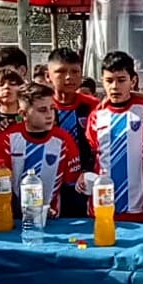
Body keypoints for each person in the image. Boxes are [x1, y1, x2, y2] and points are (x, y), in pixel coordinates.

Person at [0, 82, 81, 218]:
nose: (50, 115)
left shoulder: (64, 140)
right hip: (14, 219)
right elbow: (0, 185)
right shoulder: (6, 139)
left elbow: (71, 186)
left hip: (53, 219)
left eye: (52, 108)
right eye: (42, 110)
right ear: (23, 114)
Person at [84, 51, 143, 222]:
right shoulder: (96, 115)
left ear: (133, 80)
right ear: (102, 81)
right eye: (109, 81)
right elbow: (93, 154)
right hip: (103, 203)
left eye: (121, 80)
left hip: (140, 205)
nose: (115, 86)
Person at [48, 48, 99, 217]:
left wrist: (88, 170)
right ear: (48, 76)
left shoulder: (94, 106)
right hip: (48, 182)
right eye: (61, 72)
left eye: (75, 72)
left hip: (84, 182)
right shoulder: (40, 107)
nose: (69, 77)